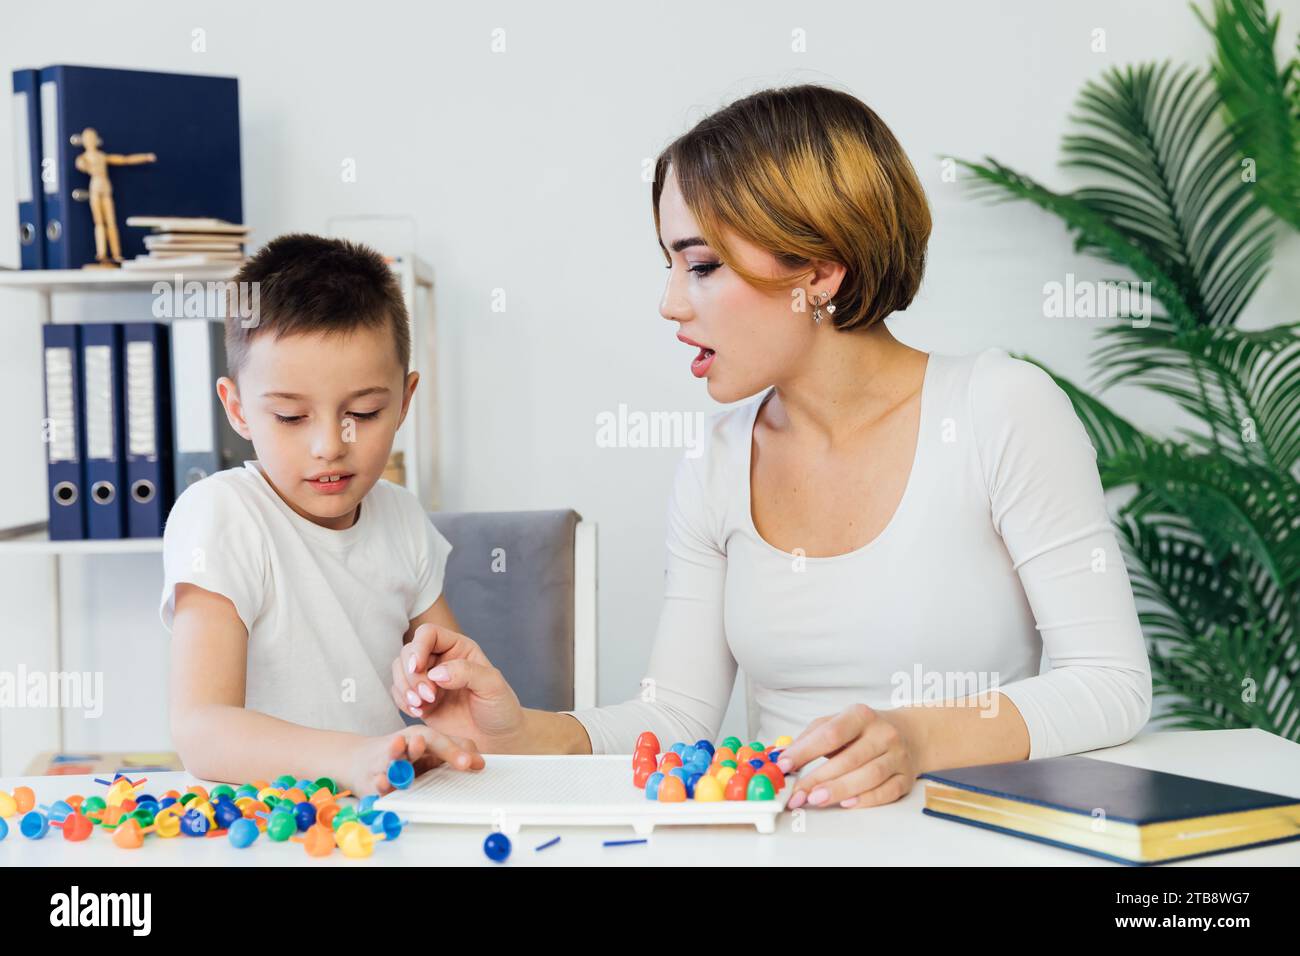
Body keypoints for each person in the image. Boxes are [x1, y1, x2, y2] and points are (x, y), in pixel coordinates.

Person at [388, 83, 1152, 811]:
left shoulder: (1001, 409)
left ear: (818, 270)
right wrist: (519, 733)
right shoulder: (717, 460)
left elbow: (1111, 682)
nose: (669, 303)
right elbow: (679, 720)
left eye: (702, 265)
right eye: (670, 264)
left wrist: (914, 738)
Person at [161, 234, 484, 794]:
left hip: (376, 819)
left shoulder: (402, 517)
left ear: (405, 401)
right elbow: (201, 730)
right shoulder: (223, 515)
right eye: (290, 416)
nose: (330, 445)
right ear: (237, 408)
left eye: (364, 411)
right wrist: (354, 759)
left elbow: (457, 700)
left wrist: (439, 693)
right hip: (260, 826)